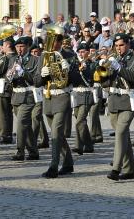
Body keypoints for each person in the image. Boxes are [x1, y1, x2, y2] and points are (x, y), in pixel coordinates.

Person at [101, 33, 134, 181]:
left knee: (121, 133)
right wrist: (102, 73)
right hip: (114, 100)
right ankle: (129, 169)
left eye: (121, 45)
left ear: (128, 45)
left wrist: (118, 68)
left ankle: (116, 168)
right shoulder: (114, 59)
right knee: (124, 136)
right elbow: (106, 83)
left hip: (129, 100)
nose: (118, 48)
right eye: (116, 46)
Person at [35, 27, 76, 178]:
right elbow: (36, 82)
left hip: (62, 97)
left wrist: (69, 68)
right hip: (49, 97)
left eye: (55, 42)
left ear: (60, 42)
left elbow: (78, 80)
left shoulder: (70, 55)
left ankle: (53, 165)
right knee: (57, 134)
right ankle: (68, 163)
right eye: (49, 41)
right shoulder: (43, 57)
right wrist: (42, 74)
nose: (52, 45)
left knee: (57, 132)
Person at [72, 41, 98, 154]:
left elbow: (93, 77)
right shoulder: (76, 62)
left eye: (83, 52)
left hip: (87, 93)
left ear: (88, 52)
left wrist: (85, 68)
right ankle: (88, 145)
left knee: (79, 121)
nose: (81, 54)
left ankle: (79, 145)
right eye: (80, 52)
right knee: (81, 122)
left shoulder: (92, 63)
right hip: (76, 94)